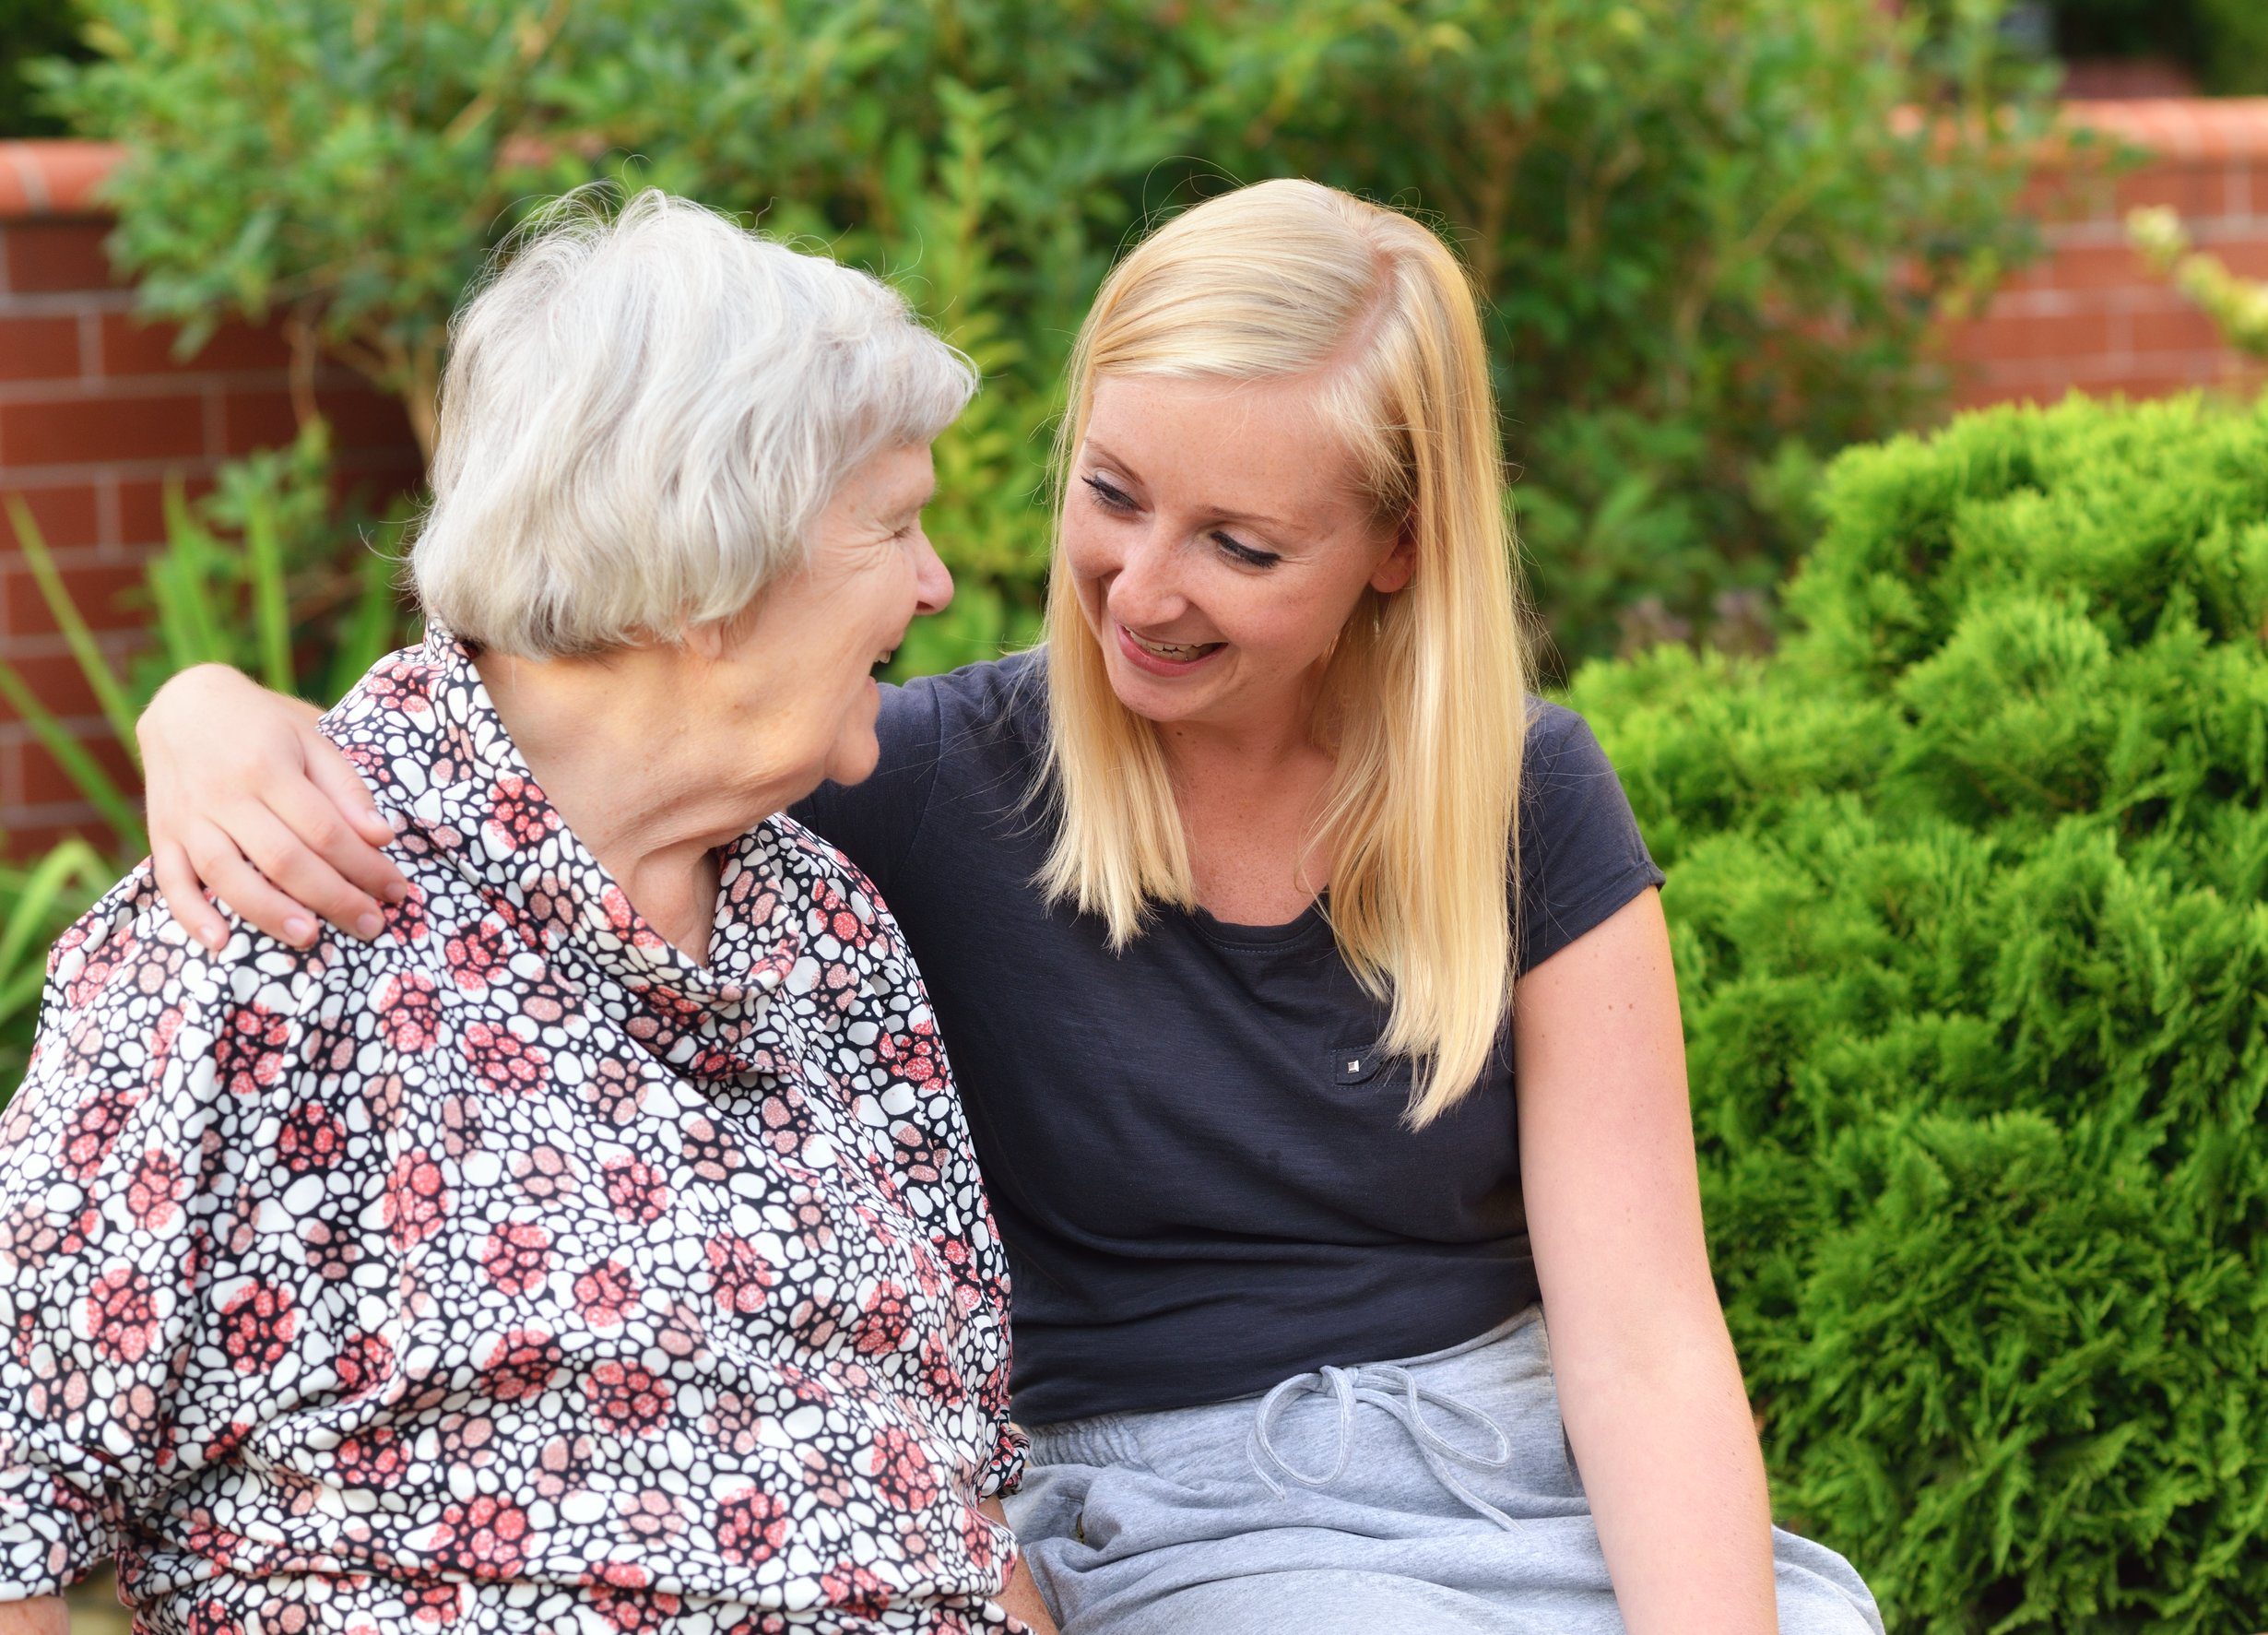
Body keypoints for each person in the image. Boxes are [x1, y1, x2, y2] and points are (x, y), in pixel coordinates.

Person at [132, 179, 1884, 1634]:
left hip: (1518, 1459)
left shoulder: (1525, 794)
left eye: (1242, 546)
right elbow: (588, 688)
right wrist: (207, 709)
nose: (1143, 586)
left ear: (1399, 548)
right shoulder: (909, 782)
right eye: (1110, 496)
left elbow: (1646, 1337)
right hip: (1188, 1515)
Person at [0, 192, 1060, 1635]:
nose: (938, 583)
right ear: (708, 570)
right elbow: (16, 1508)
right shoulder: (272, 916)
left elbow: (956, 1478)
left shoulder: (829, 931)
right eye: (894, 525)